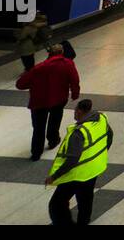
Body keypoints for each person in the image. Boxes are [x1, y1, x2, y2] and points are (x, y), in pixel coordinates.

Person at [45, 98, 112, 226]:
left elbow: (72, 160)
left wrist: (54, 176)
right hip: (93, 169)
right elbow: (110, 136)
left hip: (76, 174)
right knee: (85, 200)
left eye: (75, 111)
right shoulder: (101, 119)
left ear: (80, 111)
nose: (74, 114)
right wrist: (100, 153)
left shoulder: (79, 133)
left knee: (56, 204)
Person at [16, 44, 81, 161]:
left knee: (38, 127)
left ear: (49, 53)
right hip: (59, 99)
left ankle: (36, 152)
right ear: (62, 52)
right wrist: (75, 93)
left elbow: (20, 84)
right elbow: (74, 80)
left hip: (39, 101)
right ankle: (53, 140)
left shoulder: (39, 68)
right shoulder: (68, 64)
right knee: (55, 120)